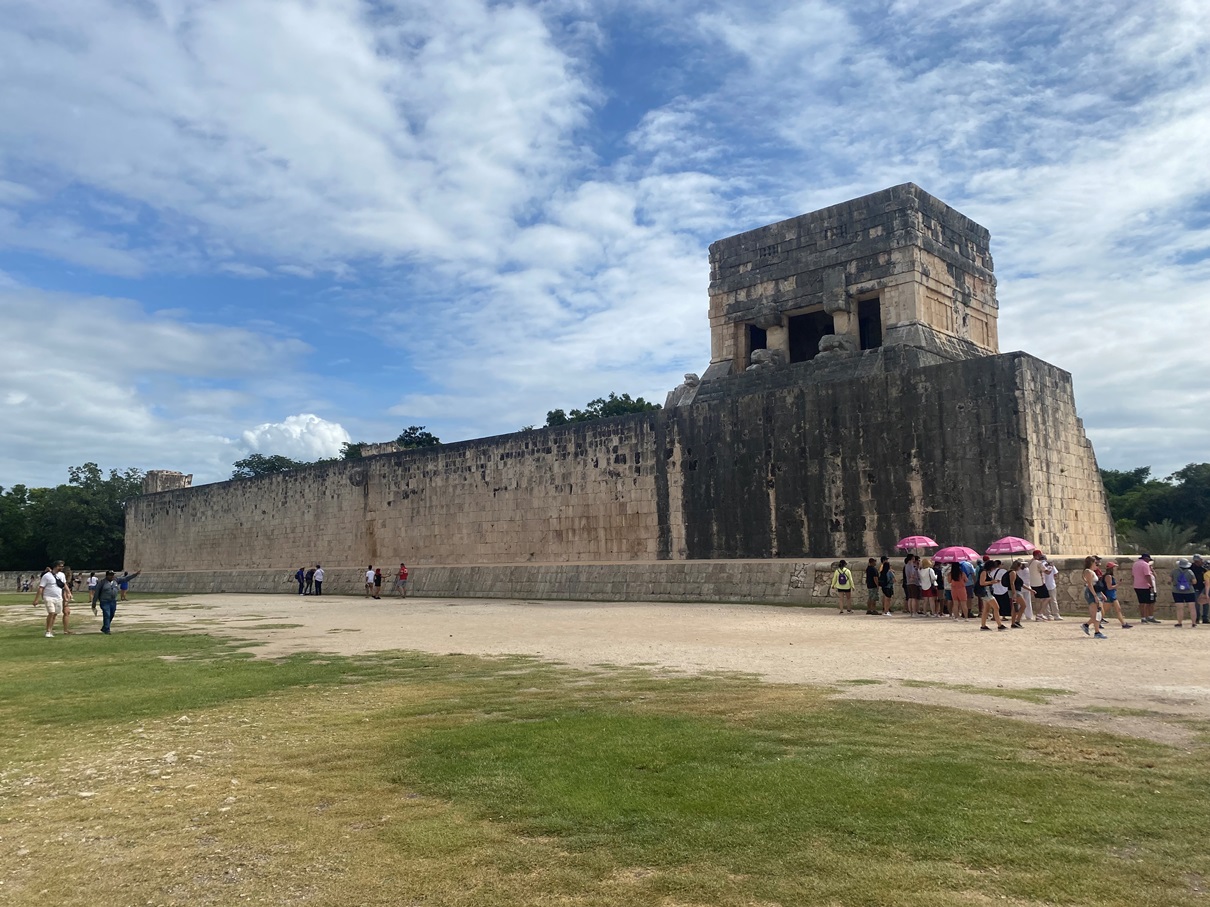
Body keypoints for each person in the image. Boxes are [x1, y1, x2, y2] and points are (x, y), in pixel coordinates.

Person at [32, 565, 64, 638]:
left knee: (55, 614)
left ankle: (50, 629)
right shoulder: (46, 576)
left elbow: (64, 585)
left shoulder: (62, 575)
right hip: (48, 597)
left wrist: (68, 593)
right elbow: (41, 587)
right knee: (51, 613)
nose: (62, 568)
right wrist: (36, 599)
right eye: (60, 566)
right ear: (56, 566)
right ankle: (48, 631)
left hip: (58, 597)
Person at [1081, 555, 1107, 638]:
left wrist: (1101, 594)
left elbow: (1095, 584)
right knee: (1096, 613)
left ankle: (1088, 626)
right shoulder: (1088, 571)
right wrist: (1095, 596)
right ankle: (1096, 631)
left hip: (1095, 592)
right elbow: (1090, 585)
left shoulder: (1092, 571)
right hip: (1092, 593)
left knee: (1099, 613)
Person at [1100, 562, 1132, 629]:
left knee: (1118, 609)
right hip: (1109, 595)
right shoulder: (1108, 576)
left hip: (1112, 595)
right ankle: (1096, 623)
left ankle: (1123, 624)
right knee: (1104, 611)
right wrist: (1118, 584)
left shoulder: (1110, 576)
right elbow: (1109, 587)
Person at [977, 559, 1005, 631]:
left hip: (987, 591)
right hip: (986, 592)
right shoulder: (984, 572)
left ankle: (983, 625)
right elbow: (982, 583)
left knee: (986, 609)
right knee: (996, 607)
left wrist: (993, 582)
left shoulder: (987, 572)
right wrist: (992, 582)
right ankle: (999, 625)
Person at [1132, 553, 1159, 623]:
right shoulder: (1145, 565)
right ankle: (1150, 616)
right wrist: (1151, 585)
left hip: (1137, 585)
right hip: (1146, 586)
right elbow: (1147, 576)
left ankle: (1143, 617)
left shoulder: (1135, 564)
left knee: (1142, 602)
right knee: (1150, 602)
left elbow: (1133, 575)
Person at [1173, 558, 1198, 628]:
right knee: (1192, 607)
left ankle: (1179, 623)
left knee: (1179, 608)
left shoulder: (1174, 571)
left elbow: (1169, 580)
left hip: (1177, 591)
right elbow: (1194, 581)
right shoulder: (1190, 572)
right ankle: (1193, 623)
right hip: (1189, 591)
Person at [1192, 555, 1208, 625]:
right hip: (1195, 588)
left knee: (1206, 603)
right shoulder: (1191, 568)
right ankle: (1197, 618)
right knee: (1196, 604)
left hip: (1203, 588)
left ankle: (1205, 618)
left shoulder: (1203, 568)